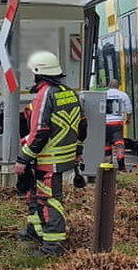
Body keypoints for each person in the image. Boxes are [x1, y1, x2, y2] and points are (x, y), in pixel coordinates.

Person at [15, 51, 86, 257]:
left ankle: (53, 247)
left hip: (47, 159)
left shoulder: (44, 95)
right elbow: (82, 126)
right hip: (64, 156)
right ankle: (35, 231)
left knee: (49, 199)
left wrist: (23, 159)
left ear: (38, 73)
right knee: (34, 195)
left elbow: (40, 131)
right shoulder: (69, 92)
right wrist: (77, 151)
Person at [105, 79, 133, 171]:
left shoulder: (104, 94)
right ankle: (121, 165)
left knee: (107, 144)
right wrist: (128, 119)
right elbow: (129, 109)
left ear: (109, 86)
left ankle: (108, 164)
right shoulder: (123, 95)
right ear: (118, 86)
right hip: (117, 123)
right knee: (119, 143)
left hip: (106, 123)